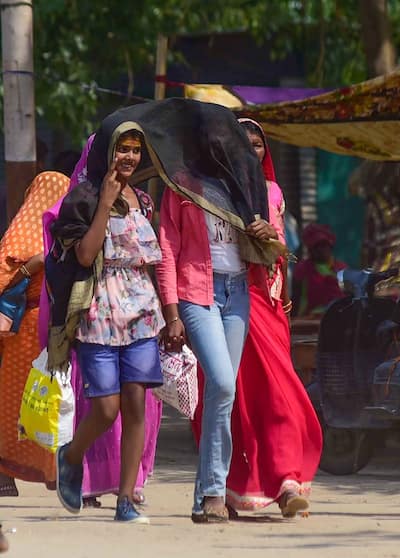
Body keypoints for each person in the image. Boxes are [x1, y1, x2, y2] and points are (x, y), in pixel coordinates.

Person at [191, 119, 323, 518]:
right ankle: (227, 489)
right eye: (242, 144)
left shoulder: (272, 192)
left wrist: (269, 237)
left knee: (278, 391)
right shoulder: (210, 190)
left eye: (258, 145)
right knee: (227, 396)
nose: (252, 152)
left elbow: (283, 251)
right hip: (216, 300)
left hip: (265, 303)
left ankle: (286, 480)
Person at [156, 120, 279, 524]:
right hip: (196, 292)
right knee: (223, 384)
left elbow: (276, 247)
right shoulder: (182, 182)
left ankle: (209, 495)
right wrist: (171, 313)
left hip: (239, 292)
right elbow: (167, 248)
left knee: (220, 395)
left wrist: (264, 232)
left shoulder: (249, 186)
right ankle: (213, 490)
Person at [48, 128, 165, 524]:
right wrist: (105, 204)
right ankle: (72, 455)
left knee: (135, 405)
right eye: (123, 149)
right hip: (98, 311)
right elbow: (83, 255)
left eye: (135, 150)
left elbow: (152, 261)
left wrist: (170, 314)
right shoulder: (83, 197)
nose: (129, 157)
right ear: (106, 153)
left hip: (142, 313)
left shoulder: (145, 201)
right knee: (106, 408)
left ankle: (126, 499)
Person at [0, 172, 69, 497]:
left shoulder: (59, 232)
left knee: (42, 403)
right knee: (27, 403)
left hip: (47, 328)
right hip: (28, 329)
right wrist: (33, 265)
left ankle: (50, 470)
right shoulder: (28, 234)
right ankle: (8, 474)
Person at [292, 223, 346, 316]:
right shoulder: (302, 269)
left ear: (330, 246)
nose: (321, 250)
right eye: (317, 246)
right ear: (310, 249)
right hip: (306, 321)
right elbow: (295, 299)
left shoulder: (341, 268)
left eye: (324, 245)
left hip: (337, 320)